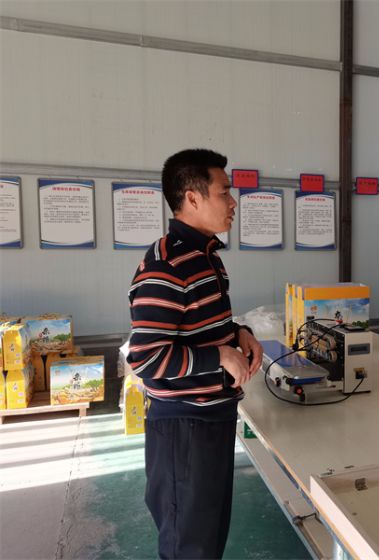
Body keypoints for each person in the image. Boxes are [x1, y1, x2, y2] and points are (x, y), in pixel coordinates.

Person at [127, 148, 263, 559]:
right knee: (189, 546)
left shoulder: (206, 257)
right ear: (192, 198)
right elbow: (146, 359)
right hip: (184, 428)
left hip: (213, 417)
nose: (233, 202)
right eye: (224, 192)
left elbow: (201, 324)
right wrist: (220, 356)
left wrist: (239, 334)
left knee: (208, 539)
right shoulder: (167, 266)